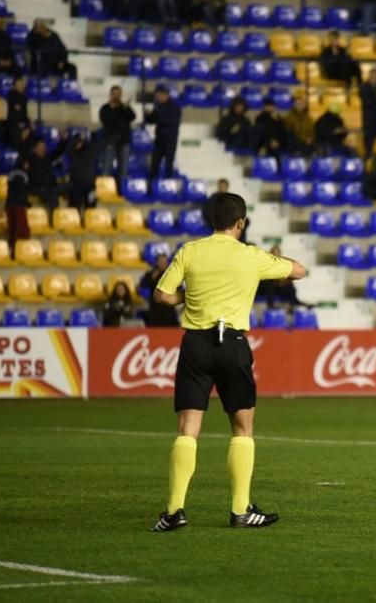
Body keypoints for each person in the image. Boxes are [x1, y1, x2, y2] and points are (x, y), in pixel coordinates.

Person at [151, 191, 307, 532]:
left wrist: (186, 296)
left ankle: (174, 511)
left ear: (211, 221)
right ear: (241, 223)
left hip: (195, 344)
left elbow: (162, 295)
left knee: (187, 429)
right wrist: (266, 268)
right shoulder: (250, 256)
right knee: (242, 428)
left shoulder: (190, 250)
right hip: (232, 344)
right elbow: (299, 271)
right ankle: (239, 510)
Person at [99, 85, 135, 181]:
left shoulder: (124, 108)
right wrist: (113, 108)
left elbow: (132, 117)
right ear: (110, 95)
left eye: (118, 94)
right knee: (106, 167)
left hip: (124, 141)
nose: (116, 96)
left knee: (123, 169)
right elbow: (106, 120)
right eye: (114, 94)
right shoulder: (105, 108)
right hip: (110, 141)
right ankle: (104, 192)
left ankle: (122, 191)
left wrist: (126, 108)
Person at [145, 85, 182, 180]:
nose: (158, 98)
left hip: (170, 140)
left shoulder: (174, 107)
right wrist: (147, 115)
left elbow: (171, 122)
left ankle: (168, 183)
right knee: (155, 163)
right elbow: (151, 120)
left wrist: (158, 117)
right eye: (157, 96)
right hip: (159, 139)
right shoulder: (158, 106)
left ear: (165, 95)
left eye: (159, 96)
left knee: (169, 163)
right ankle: (152, 184)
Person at [257, 244, 305, 309]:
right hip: (266, 286)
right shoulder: (267, 261)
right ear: (271, 253)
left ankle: (293, 303)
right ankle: (270, 305)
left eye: (278, 253)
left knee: (289, 283)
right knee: (269, 283)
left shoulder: (282, 262)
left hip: (278, 286)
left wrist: (282, 282)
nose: (276, 255)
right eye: (274, 253)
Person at [141, 255, 179, 327]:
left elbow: (178, 287)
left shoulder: (172, 274)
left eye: (165, 262)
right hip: (155, 308)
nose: (163, 263)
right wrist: (152, 278)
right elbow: (143, 286)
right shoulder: (151, 274)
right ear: (157, 263)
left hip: (169, 307)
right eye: (161, 262)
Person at [5, 157, 30, 252]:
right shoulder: (23, 175)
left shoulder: (11, 174)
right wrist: (26, 202)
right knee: (21, 229)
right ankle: (19, 250)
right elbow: (22, 190)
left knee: (13, 228)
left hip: (9, 204)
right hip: (18, 205)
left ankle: (13, 249)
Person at [3, 74, 30, 145]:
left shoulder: (24, 97)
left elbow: (24, 114)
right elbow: (16, 107)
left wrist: (28, 127)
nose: (21, 86)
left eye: (22, 84)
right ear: (14, 85)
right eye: (19, 84)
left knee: (30, 134)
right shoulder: (10, 94)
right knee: (18, 134)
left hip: (22, 124)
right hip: (12, 125)